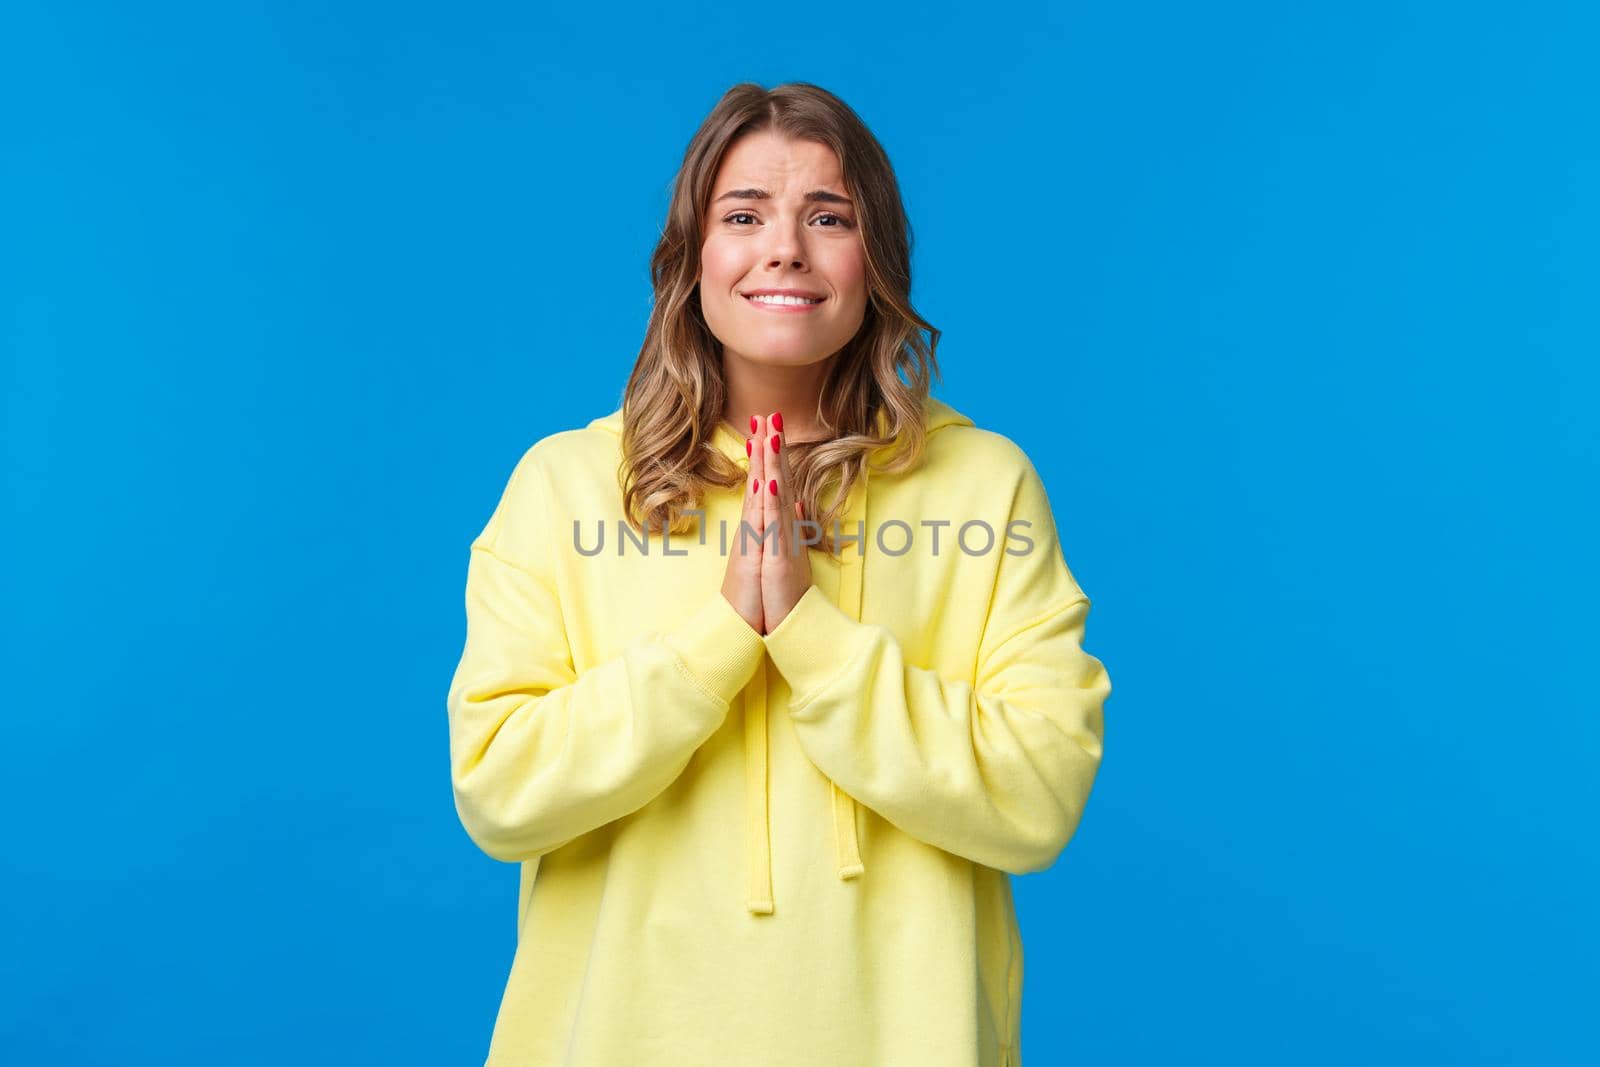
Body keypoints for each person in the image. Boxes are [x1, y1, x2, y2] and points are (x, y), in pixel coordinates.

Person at [445, 81, 1113, 1067]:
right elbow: (500, 789)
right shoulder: (564, 487)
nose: (785, 248)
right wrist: (719, 639)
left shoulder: (984, 486)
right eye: (744, 214)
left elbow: (1038, 792)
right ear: (692, 256)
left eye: (828, 217)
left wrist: (810, 634)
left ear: (873, 255)